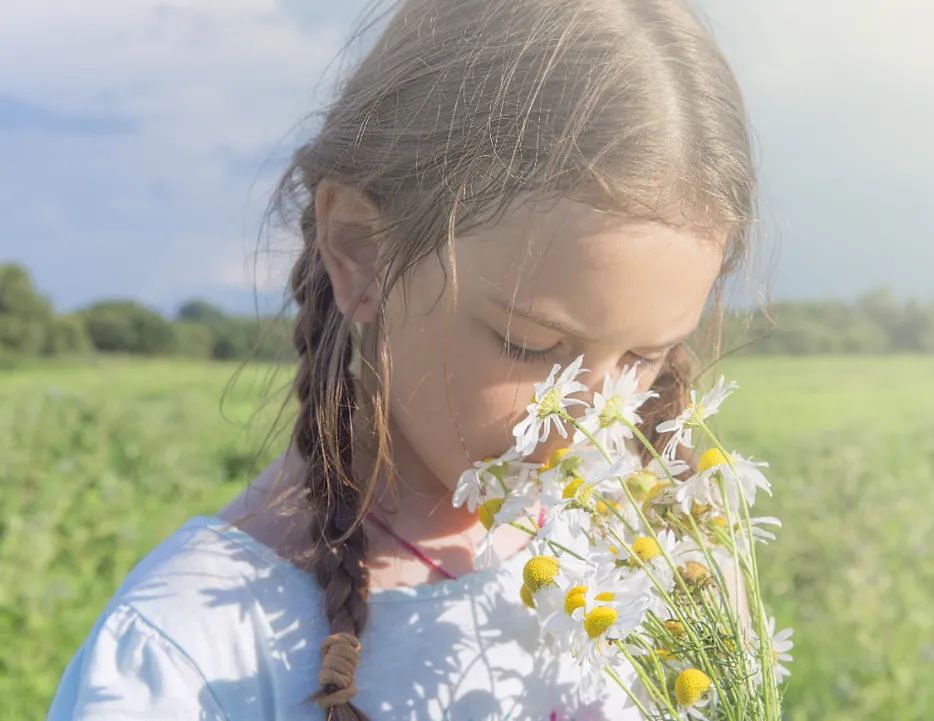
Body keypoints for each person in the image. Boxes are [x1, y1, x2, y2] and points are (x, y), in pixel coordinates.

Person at [47, 0, 758, 718]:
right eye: (533, 345)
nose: (594, 427)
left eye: (645, 356)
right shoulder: (190, 656)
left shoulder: (654, 566)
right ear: (360, 252)